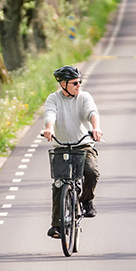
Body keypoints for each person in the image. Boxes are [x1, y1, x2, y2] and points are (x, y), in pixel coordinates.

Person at [42, 65, 102, 238]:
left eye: (80, 82)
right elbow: (50, 115)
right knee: (59, 184)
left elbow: (92, 112)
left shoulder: (84, 97)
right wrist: (49, 129)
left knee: (91, 172)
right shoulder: (53, 99)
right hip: (61, 146)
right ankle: (57, 226)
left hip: (83, 144)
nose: (78, 86)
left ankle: (86, 200)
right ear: (63, 84)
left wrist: (96, 128)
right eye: (75, 83)